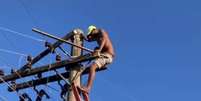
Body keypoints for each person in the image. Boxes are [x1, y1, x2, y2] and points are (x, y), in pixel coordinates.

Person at [79, 25, 115, 94]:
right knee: (88, 69)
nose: (91, 37)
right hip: (104, 55)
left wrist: (99, 49)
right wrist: (83, 37)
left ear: (93, 30)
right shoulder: (96, 36)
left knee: (92, 67)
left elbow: (104, 39)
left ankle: (88, 88)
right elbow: (89, 40)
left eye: (90, 34)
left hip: (107, 56)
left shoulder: (101, 31)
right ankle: (84, 86)